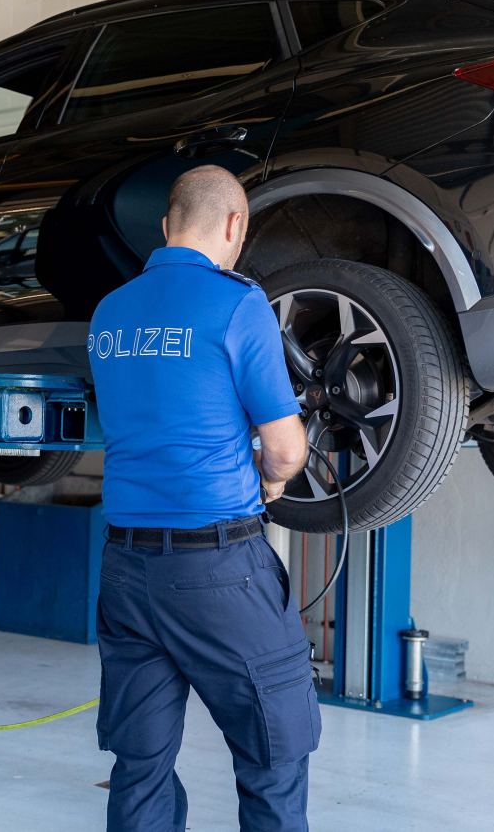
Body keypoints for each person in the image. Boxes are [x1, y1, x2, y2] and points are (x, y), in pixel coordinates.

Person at [88, 165, 315, 832]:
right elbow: (286, 448)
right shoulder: (238, 304)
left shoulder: (112, 311)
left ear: (165, 227)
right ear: (235, 225)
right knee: (276, 753)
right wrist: (272, 482)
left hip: (126, 574)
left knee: (141, 766)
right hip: (217, 572)